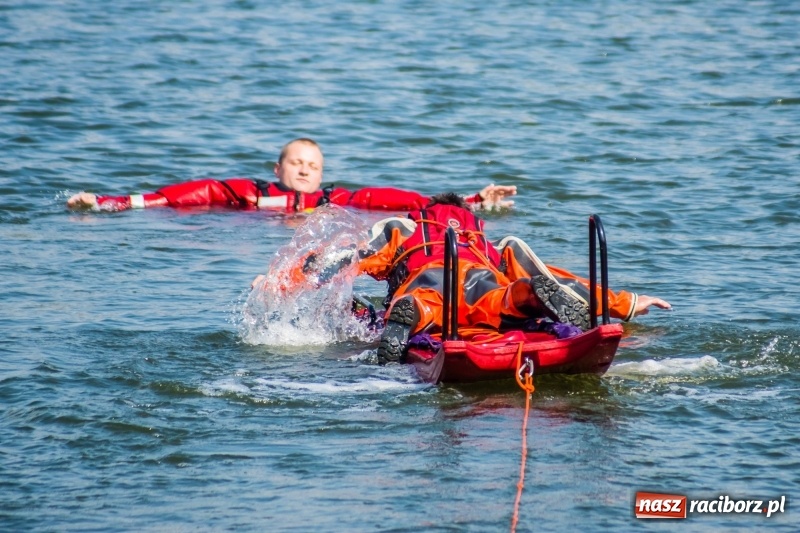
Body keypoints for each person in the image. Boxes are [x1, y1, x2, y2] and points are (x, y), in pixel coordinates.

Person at [351, 193, 671, 363]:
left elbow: (354, 257)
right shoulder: (488, 245)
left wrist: (307, 277)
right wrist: (625, 303)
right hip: (482, 278)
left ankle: (411, 310)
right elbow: (551, 275)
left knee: (424, 305)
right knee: (508, 297)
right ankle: (529, 296)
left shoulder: (405, 228)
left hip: (429, 279)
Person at [66, 138, 517, 213]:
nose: (305, 169)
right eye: (296, 163)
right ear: (276, 169)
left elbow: (390, 199)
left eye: (313, 165)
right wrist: (116, 203)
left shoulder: (334, 202)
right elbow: (191, 195)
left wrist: (472, 201)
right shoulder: (250, 195)